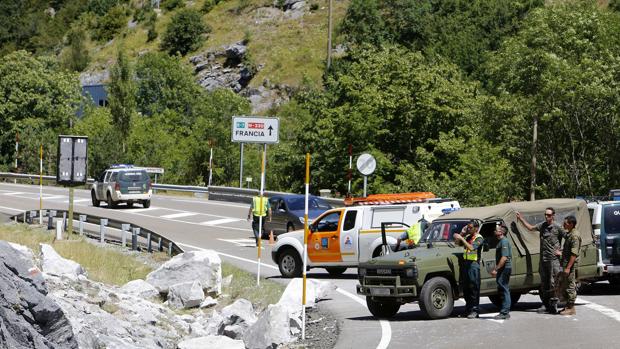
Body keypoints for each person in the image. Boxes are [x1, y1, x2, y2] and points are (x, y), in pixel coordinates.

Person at [516, 207, 565, 314]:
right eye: (545, 215)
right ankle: (545, 304)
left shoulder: (557, 227)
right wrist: (521, 219)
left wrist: (562, 251)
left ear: (553, 215)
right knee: (544, 283)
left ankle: (553, 305)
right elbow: (530, 228)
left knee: (553, 282)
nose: (547, 217)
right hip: (544, 259)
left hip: (553, 260)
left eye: (549, 215)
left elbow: (568, 237)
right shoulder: (542, 225)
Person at [453, 220, 484, 319]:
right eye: (468, 227)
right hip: (466, 264)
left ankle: (475, 311)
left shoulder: (479, 238)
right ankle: (468, 310)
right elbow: (457, 243)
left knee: (473, 289)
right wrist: (461, 234)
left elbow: (471, 248)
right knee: (466, 289)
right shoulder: (468, 237)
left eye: (470, 228)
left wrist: (462, 238)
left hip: (474, 265)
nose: (469, 229)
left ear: (476, 228)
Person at [559, 215, 581, 316]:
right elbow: (568, 250)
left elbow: (574, 254)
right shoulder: (570, 234)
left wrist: (568, 268)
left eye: (566, 223)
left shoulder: (574, 236)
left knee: (570, 286)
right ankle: (568, 306)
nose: (564, 224)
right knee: (565, 285)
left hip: (570, 266)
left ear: (571, 224)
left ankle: (572, 308)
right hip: (566, 264)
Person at [491, 224, 512, 319]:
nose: (495, 231)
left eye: (497, 229)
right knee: (503, 288)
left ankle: (505, 312)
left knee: (504, 289)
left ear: (501, 232)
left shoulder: (504, 242)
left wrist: (496, 269)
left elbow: (504, 258)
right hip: (504, 268)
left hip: (505, 268)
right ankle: (504, 310)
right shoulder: (501, 241)